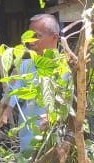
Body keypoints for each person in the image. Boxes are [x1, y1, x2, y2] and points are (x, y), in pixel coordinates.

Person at [5, 13, 63, 152]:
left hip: (57, 144)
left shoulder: (65, 69)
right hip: (28, 146)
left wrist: (54, 117)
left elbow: (71, 104)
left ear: (54, 37)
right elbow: (11, 94)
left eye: (37, 36)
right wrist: (5, 110)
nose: (31, 42)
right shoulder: (24, 67)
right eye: (29, 36)